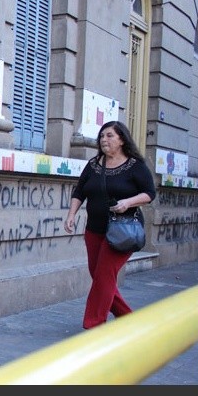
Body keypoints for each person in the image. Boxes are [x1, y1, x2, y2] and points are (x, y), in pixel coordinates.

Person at [64, 120, 156, 329]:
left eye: (109, 136)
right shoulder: (94, 164)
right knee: (99, 276)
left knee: (104, 275)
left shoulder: (135, 166)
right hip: (94, 229)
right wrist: (71, 215)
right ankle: (130, 320)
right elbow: (79, 192)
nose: (104, 139)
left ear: (122, 139)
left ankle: (94, 324)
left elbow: (149, 194)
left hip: (123, 231)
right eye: (102, 136)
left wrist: (128, 202)